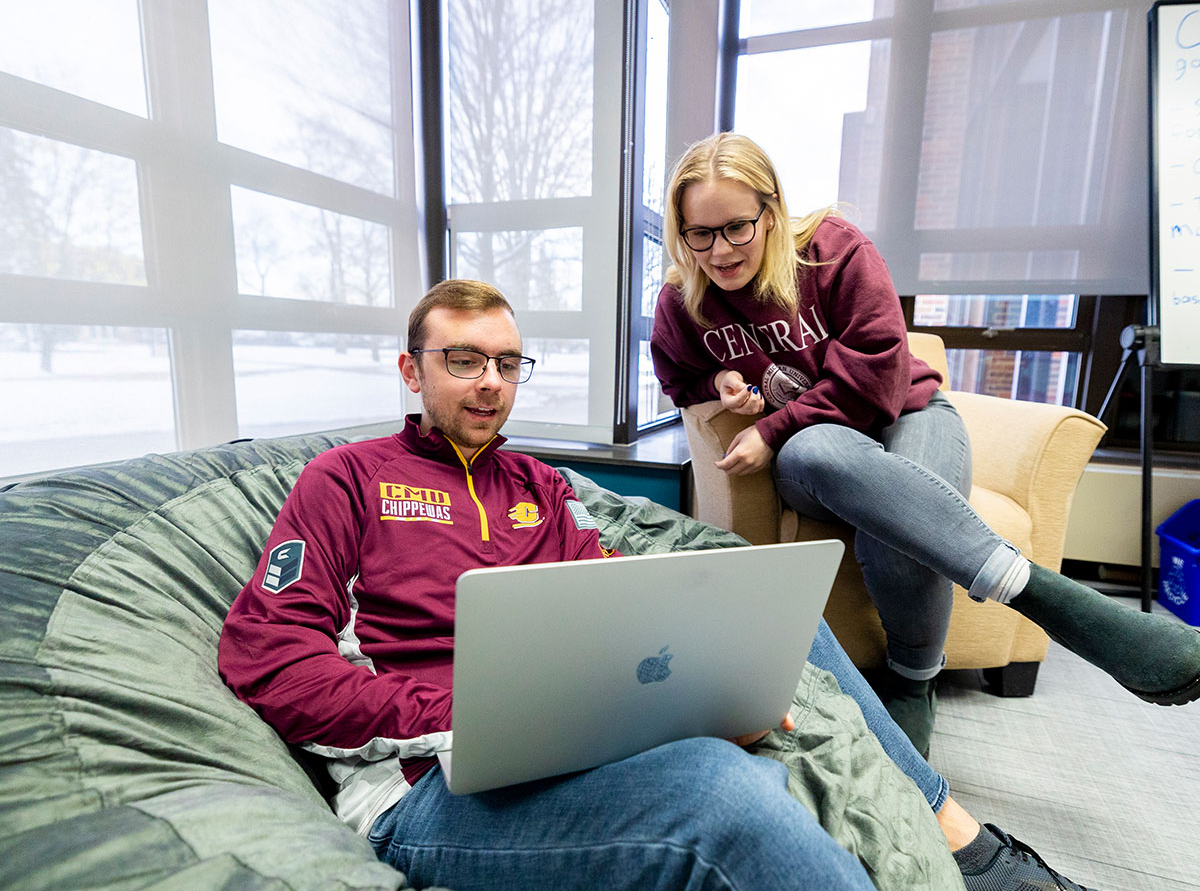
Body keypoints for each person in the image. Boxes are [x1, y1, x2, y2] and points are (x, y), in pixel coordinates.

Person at [221, 279, 1101, 891]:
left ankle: (951, 839)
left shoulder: (538, 486)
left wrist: (702, 691)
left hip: (570, 743)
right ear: (412, 371)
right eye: (463, 360)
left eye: (508, 363)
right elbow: (271, 663)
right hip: (425, 790)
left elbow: (612, 617)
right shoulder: (345, 480)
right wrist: (472, 712)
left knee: (752, 747)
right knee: (722, 796)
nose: (490, 383)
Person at [649, 131, 1200, 759]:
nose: (720, 251)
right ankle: (1055, 600)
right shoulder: (683, 300)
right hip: (818, 451)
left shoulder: (833, 251)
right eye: (700, 234)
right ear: (681, 231)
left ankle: (913, 683)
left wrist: (771, 427)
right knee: (816, 450)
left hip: (909, 411)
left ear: (770, 211)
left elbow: (877, 377)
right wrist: (720, 382)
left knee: (900, 524)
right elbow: (677, 377)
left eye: (737, 227)